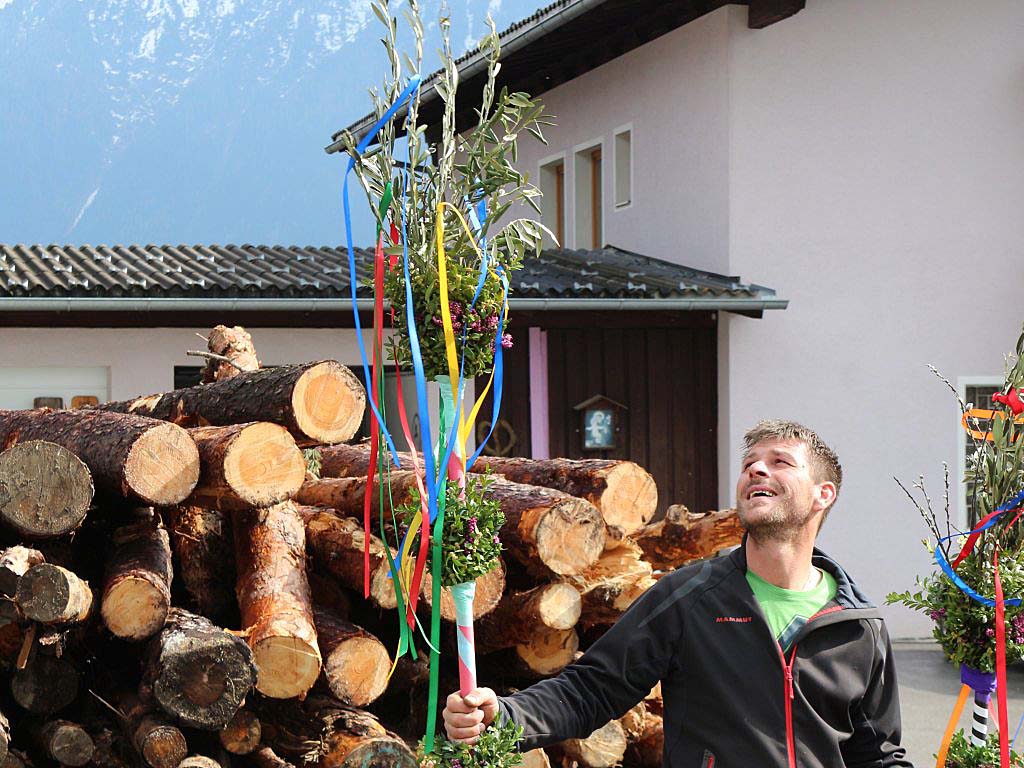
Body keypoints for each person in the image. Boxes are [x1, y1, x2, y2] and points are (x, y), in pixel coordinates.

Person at [443, 420, 914, 767]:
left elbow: (876, 754)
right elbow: (592, 689)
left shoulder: (858, 626)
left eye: (780, 462)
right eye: (749, 464)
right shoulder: (690, 597)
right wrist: (503, 716)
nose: (755, 470)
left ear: (823, 494)